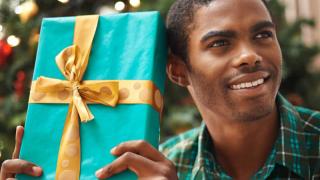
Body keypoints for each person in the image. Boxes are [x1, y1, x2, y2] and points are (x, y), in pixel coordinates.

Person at [1, 0, 320, 179]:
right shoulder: (154, 168)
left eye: (263, 35)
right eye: (220, 43)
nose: (251, 55)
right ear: (179, 71)